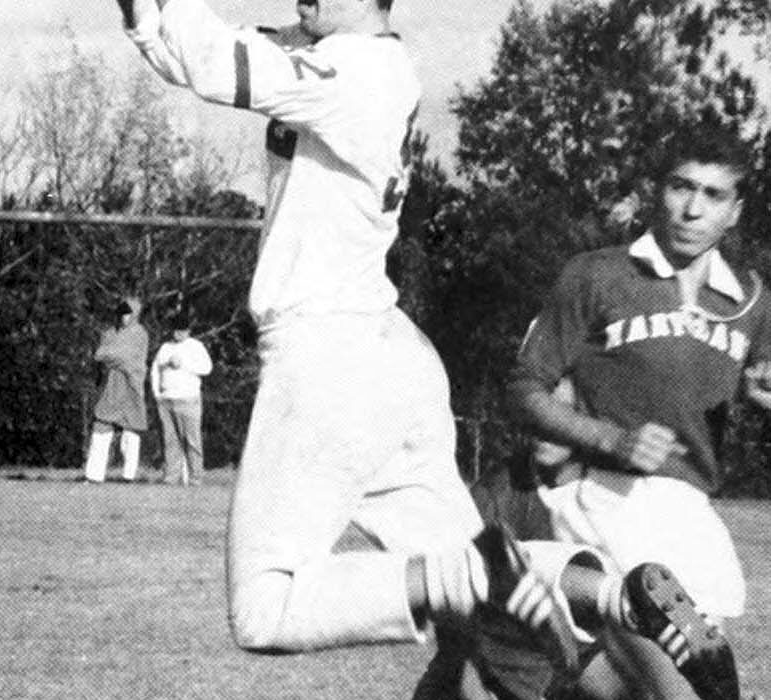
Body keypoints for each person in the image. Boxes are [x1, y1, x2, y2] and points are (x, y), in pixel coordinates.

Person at [113, 1, 732, 697]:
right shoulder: (360, 60)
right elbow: (189, 43)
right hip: (386, 355)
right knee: (480, 611)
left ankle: (483, 571)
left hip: (327, 353)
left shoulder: (355, 69)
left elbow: (207, 59)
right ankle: (618, 595)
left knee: (267, 608)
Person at [506, 122, 770, 699]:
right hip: (607, 499)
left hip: (691, 510)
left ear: (735, 211)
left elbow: (760, 383)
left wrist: (763, 392)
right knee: (681, 693)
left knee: (614, 690)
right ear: (658, 190)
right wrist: (611, 439)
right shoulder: (597, 274)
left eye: (713, 195)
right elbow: (525, 391)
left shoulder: (750, 301)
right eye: (681, 187)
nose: (691, 209)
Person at [84, 296, 149, 483]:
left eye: (128, 313)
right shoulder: (109, 333)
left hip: (131, 387)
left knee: (131, 431)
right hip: (110, 388)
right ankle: (94, 475)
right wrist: (115, 356)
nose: (124, 318)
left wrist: (112, 355)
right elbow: (99, 354)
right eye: (122, 313)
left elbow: (129, 358)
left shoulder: (140, 334)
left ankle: (128, 475)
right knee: (101, 428)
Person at [150, 311, 213, 486]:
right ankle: (171, 477)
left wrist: (184, 364)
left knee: (192, 441)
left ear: (188, 331)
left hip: (188, 399)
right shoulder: (165, 348)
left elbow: (207, 368)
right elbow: (155, 370)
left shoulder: (196, 346)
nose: (178, 334)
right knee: (170, 441)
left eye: (182, 330)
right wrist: (157, 393)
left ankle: (195, 478)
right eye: (176, 330)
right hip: (166, 399)